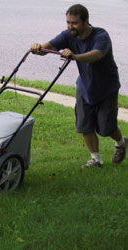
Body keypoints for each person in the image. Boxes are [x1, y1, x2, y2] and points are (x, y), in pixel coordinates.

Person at [30, 4, 127, 168]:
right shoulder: (68, 35)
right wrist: (37, 48)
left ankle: (121, 142)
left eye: (74, 23)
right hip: (85, 86)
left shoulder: (101, 35)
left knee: (106, 128)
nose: (70, 26)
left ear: (86, 21)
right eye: (68, 22)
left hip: (106, 87)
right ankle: (96, 160)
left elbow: (96, 55)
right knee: (84, 125)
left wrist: (74, 56)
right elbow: (49, 47)